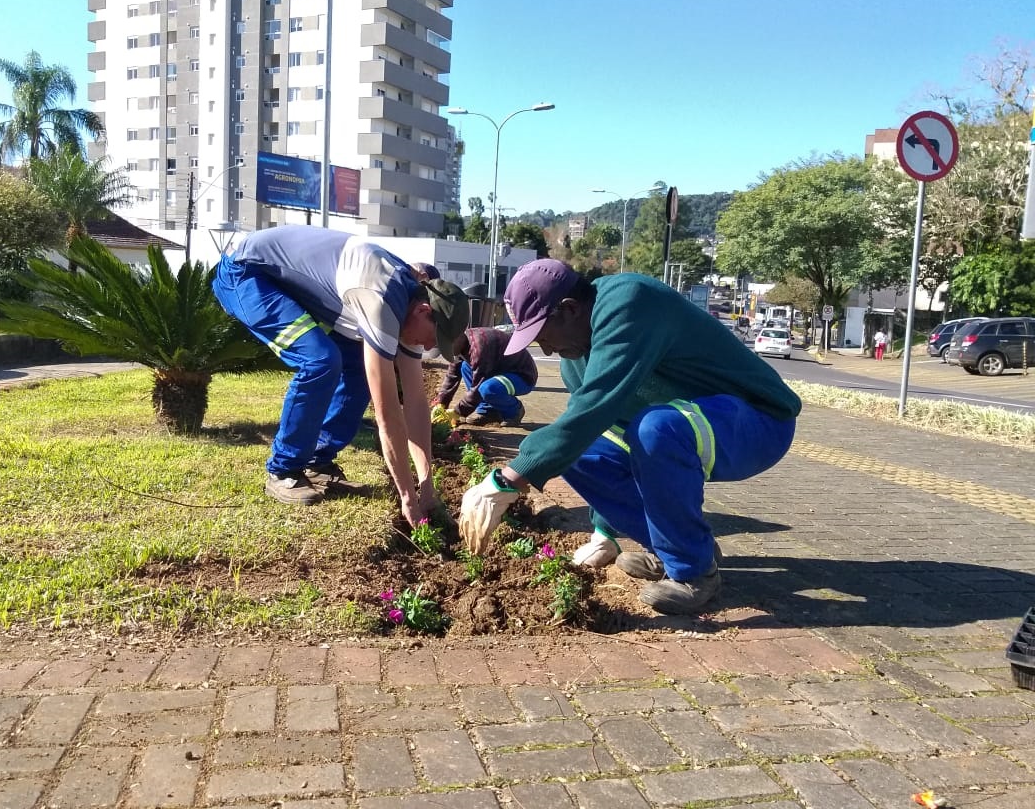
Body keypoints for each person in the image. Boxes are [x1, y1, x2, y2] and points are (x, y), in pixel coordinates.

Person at [458, 259, 802, 614]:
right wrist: (604, 534)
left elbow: (595, 406)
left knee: (655, 429)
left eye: (542, 336)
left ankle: (694, 574)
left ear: (569, 310)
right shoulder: (575, 356)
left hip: (757, 422)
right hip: (690, 424)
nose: (544, 350)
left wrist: (506, 479)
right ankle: (679, 549)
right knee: (577, 451)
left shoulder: (629, 302)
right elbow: (587, 428)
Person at [212, 225, 469, 525]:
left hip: (292, 283)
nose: (428, 347)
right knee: (320, 360)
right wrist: (407, 497)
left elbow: (414, 402)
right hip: (247, 274)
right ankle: (282, 470)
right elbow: (387, 417)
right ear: (424, 311)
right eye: (434, 339)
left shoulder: (410, 308)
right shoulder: (381, 302)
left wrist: (427, 486)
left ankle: (317, 462)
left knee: (358, 368)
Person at [432, 327, 538, 427]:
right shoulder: (462, 345)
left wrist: (458, 412)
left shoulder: (479, 347)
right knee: (465, 366)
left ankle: (514, 411)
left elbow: (477, 388)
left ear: (457, 336)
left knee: (487, 389)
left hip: (522, 376)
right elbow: (452, 375)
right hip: (499, 370)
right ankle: (488, 411)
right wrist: (441, 404)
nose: (445, 351)